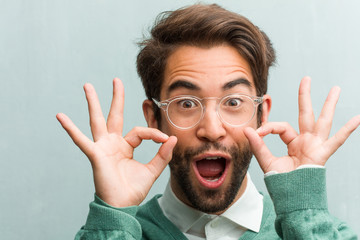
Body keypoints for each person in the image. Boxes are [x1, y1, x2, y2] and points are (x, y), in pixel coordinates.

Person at [56, 4, 360, 239]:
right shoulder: (115, 231)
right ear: (154, 118)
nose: (212, 130)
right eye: (186, 103)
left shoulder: (318, 230)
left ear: (261, 115)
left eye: (233, 102)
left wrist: (304, 214)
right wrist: (113, 217)